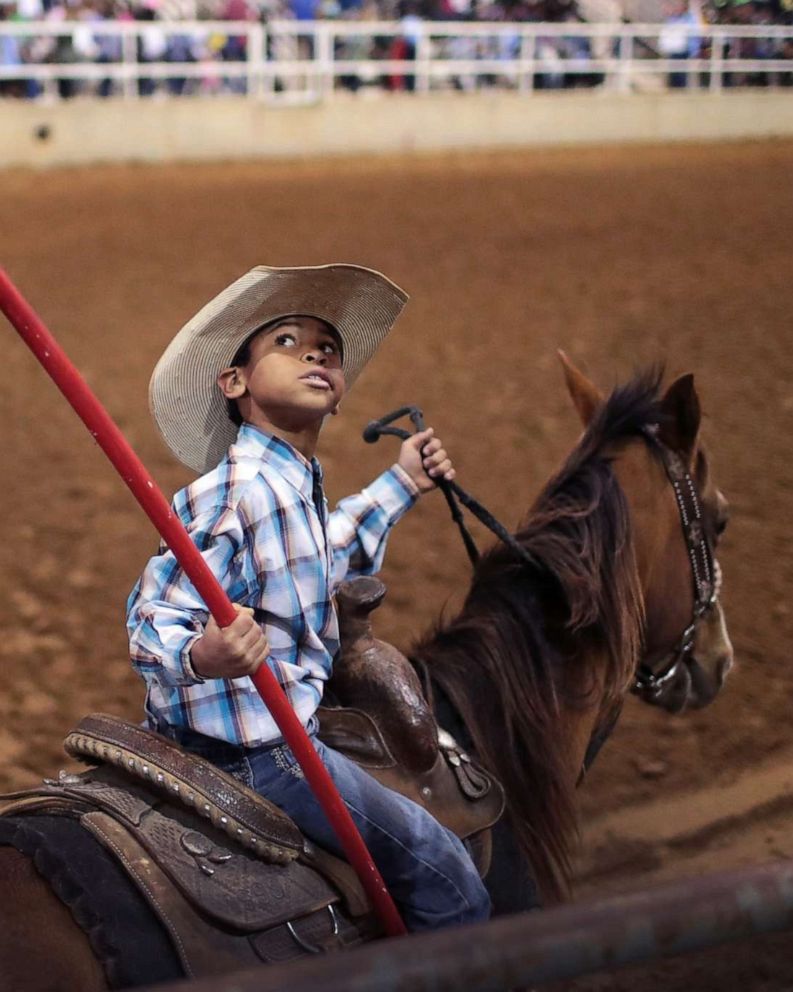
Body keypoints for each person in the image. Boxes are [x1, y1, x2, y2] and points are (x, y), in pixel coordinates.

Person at [127, 263, 491, 933]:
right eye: (288, 342)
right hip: (261, 751)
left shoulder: (290, 484)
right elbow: (152, 615)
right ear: (233, 384)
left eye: (329, 348)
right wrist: (203, 652)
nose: (317, 352)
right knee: (447, 878)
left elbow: (320, 555)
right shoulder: (229, 491)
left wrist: (402, 482)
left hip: (264, 733)